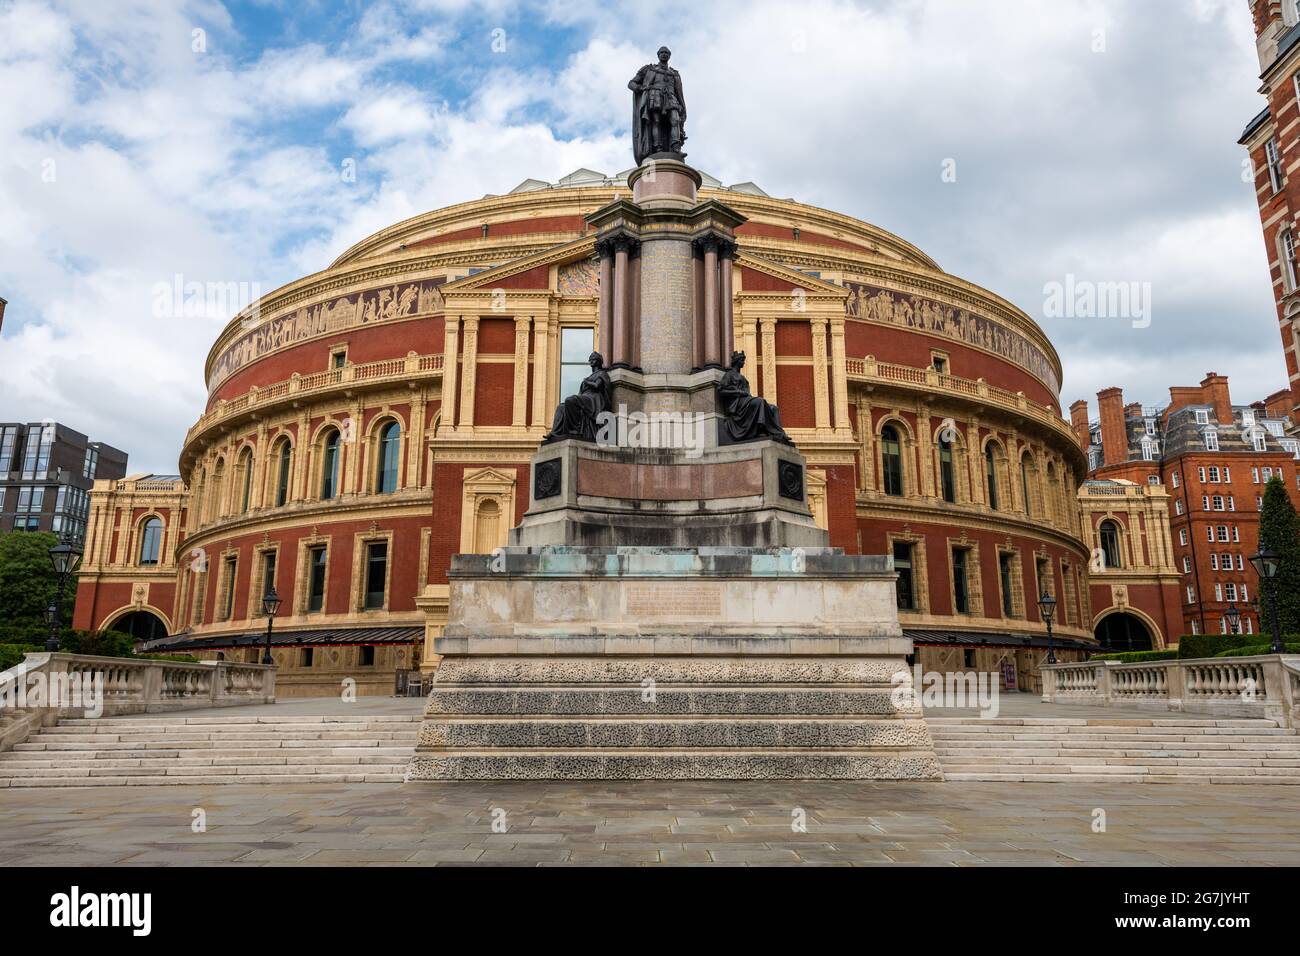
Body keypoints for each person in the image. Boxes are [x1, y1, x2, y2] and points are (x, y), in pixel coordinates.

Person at [717, 351, 791, 444]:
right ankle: (761, 429)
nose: (743, 362)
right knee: (760, 401)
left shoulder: (742, 377)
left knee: (774, 408)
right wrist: (737, 392)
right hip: (737, 404)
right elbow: (721, 390)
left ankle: (780, 434)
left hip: (746, 401)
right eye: (742, 360)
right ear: (737, 361)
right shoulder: (729, 375)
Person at [546, 352, 611, 442]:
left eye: (594, 359)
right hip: (585, 397)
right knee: (561, 407)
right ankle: (555, 432)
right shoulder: (590, 376)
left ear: (599, 361)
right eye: (590, 359)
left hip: (594, 399)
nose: (591, 361)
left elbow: (597, 386)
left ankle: (574, 430)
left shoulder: (602, 374)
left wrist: (586, 382)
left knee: (570, 400)